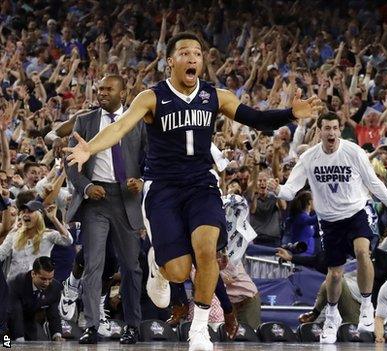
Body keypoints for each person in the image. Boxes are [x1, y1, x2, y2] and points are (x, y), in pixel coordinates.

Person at [65, 32, 323, 351]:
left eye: (197, 54)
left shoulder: (216, 95)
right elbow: (119, 128)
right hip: (163, 188)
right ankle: (162, 267)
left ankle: (199, 328)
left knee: (206, 248)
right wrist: (89, 149)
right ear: (170, 61)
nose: (192, 58)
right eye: (185, 53)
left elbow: (254, 117)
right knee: (178, 271)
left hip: (201, 184)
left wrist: (290, 114)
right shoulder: (151, 97)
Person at [268, 112, 387, 343]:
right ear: (319, 131)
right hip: (329, 221)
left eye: (334, 128)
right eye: (326, 128)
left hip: (356, 213)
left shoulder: (353, 152)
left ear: (340, 130)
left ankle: (366, 306)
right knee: (335, 273)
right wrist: (278, 189)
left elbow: (374, 184)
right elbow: (291, 190)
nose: (331, 132)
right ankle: (331, 314)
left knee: (363, 252)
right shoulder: (310, 158)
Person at [65, 74, 146, 345]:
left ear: (123, 94)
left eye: (108, 89)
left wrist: (141, 181)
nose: (102, 93)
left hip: (127, 198)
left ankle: (132, 326)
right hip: (96, 200)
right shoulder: (85, 121)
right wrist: (87, 187)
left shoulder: (137, 121)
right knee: (93, 265)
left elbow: (150, 159)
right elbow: (71, 162)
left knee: (131, 267)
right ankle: (91, 325)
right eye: (99, 89)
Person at [0, 201, 72, 281]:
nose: (25, 214)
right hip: (14, 284)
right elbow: (1, 253)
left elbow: (68, 240)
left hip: (38, 284)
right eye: (23, 212)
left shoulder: (47, 235)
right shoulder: (14, 234)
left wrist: (54, 219)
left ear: (39, 215)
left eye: (30, 211)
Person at [7, 256, 63, 341]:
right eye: (43, 279)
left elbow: (53, 313)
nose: (47, 283)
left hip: (29, 321)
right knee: (7, 347)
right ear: (33, 274)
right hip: (6, 322)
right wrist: (19, 339)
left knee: (33, 344)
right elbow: (15, 313)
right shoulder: (16, 284)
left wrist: (57, 335)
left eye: (50, 279)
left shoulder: (55, 287)